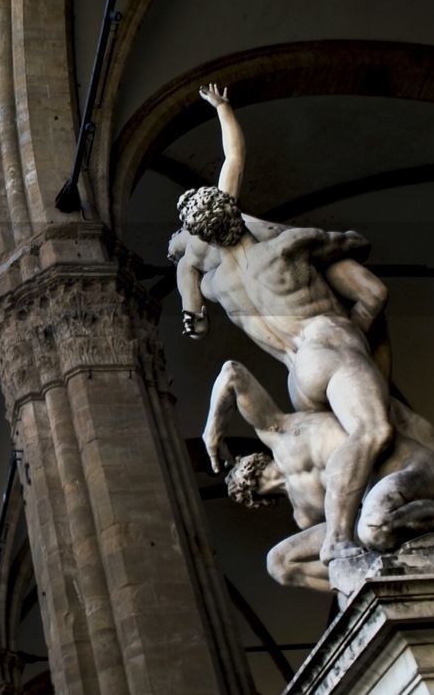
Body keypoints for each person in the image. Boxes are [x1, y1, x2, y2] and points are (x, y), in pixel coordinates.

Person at [169, 83, 400, 562]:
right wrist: (222, 107)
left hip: (298, 378)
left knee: (370, 438)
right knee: (375, 433)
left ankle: (370, 530)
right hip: (329, 344)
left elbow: (189, 282)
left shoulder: (213, 284)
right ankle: (340, 536)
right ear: (232, 210)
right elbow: (235, 158)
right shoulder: (285, 247)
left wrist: (191, 309)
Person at [205, 360, 434, 592]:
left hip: (409, 467)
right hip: (382, 504)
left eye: (250, 475)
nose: (252, 478)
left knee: (374, 526)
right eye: (250, 483)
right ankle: (364, 590)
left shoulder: (278, 430)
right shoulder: (304, 511)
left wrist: (213, 429)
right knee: (279, 562)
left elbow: (232, 373)